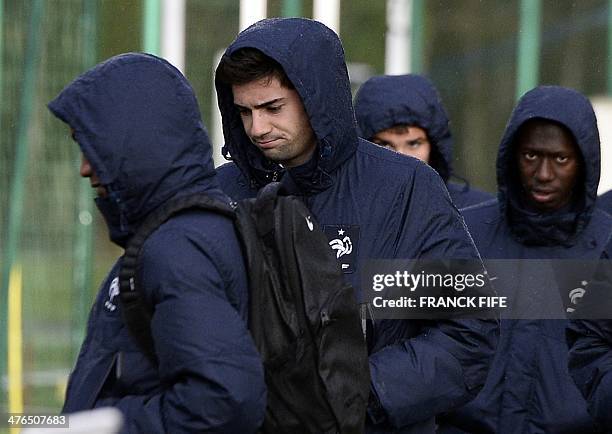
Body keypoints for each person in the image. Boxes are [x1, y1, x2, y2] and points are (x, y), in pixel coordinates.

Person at [214, 17, 498, 433]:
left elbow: (468, 329)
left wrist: (359, 395)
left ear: (316, 99)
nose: (258, 128)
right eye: (244, 112)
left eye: (273, 108)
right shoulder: (224, 191)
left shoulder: (405, 188)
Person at [48, 53, 266, 433]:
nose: (84, 168)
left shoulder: (178, 247)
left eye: (94, 148)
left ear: (135, 142)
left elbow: (224, 401)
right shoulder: (172, 234)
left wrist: (106, 425)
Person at [437, 86, 612, 433]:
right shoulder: (464, 233)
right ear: (511, 155)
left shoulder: (607, 246)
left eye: (560, 159)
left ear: (585, 162)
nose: (544, 173)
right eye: (531, 156)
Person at [354, 74, 492, 209]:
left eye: (413, 144)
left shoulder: (477, 211)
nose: (401, 157)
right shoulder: (342, 209)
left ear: (434, 147)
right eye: (384, 145)